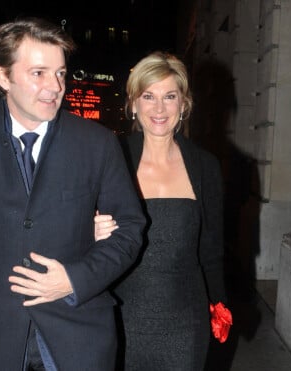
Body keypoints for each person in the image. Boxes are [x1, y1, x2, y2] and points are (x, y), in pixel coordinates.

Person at [0, 17, 145, 371]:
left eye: (61, 73)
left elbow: (129, 228)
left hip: (78, 336)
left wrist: (74, 279)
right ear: (3, 76)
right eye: (39, 73)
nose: (55, 87)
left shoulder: (97, 144)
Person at [94, 51, 227, 371]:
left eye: (170, 96)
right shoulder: (110, 159)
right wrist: (90, 232)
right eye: (148, 96)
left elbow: (211, 248)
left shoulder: (205, 166)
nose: (159, 108)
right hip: (119, 317)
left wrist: (220, 304)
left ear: (184, 104)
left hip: (186, 323)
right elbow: (72, 232)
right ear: (133, 103)